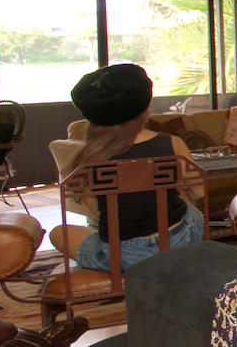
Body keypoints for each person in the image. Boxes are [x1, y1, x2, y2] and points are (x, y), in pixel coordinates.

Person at [64, 63, 205, 271]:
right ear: (145, 107)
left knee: (60, 233)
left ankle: (132, 269)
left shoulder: (88, 159)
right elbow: (199, 191)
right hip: (179, 242)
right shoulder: (173, 143)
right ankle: (174, 262)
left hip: (124, 255)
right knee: (191, 211)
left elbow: (97, 214)